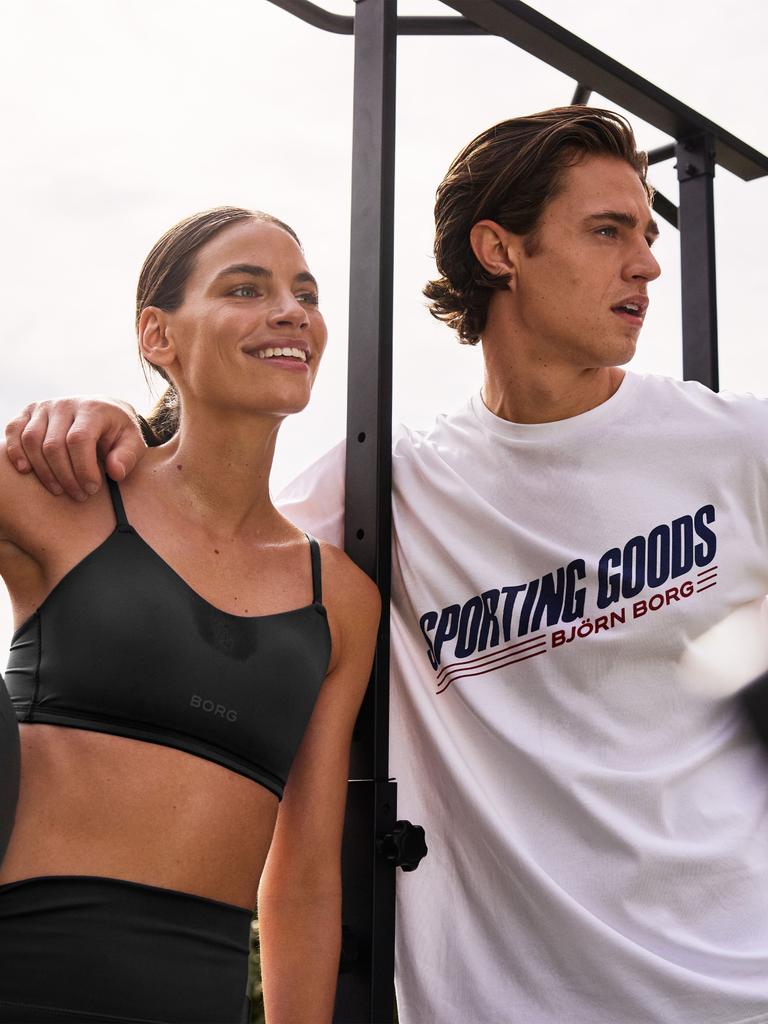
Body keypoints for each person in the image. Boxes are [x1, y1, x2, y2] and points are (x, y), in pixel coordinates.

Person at [7, 107, 768, 1024]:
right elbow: (203, 516)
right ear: (500, 249)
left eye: (646, 233)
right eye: (608, 231)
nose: (647, 261)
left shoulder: (739, 449)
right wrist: (106, 420)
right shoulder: (383, 490)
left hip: (733, 989)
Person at [0, 206, 379, 1023]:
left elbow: (305, 877)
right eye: (246, 288)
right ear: (157, 336)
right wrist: (78, 420)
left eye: (304, 294)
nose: (291, 312)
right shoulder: (61, 496)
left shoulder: (338, 597)